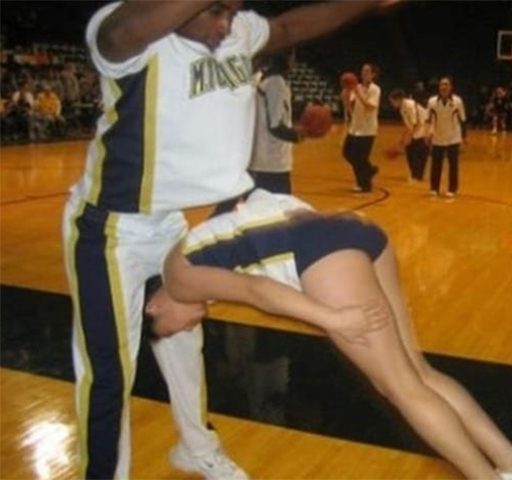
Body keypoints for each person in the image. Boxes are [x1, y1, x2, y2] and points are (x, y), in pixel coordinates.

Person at [62, 2, 396, 479]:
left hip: (170, 223)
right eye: (216, 11)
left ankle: (196, 447)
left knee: (184, 341)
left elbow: (288, 26)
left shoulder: (236, 31)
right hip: (110, 229)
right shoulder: (133, 37)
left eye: (233, 11)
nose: (226, 25)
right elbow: (119, 34)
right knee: (109, 369)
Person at [151, 188, 512, 480]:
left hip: (322, 252)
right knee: (419, 373)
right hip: (354, 229)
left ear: (153, 306)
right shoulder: (197, 245)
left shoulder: (178, 279)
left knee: (400, 387)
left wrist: (332, 319)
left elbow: (259, 291)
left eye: (171, 330)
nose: (187, 327)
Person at [249, 50, 300, 194]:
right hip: (272, 162)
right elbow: (275, 126)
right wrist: (299, 135)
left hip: (264, 160)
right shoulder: (275, 82)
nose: (294, 60)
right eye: (292, 56)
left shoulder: (266, 79)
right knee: (278, 205)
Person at [341, 63, 381, 192]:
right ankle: (369, 170)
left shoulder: (375, 89)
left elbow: (370, 107)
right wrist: (346, 94)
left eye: (367, 71)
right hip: (355, 127)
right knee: (347, 153)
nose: (364, 73)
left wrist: (358, 93)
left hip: (368, 129)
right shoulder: (357, 87)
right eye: (363, 71)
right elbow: (350, 107)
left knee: (360, 158)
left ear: (373, 75)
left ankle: (364, 185)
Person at [427, 77, 466, 198]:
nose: (444, 87)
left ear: (451, 87)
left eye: (446, 84)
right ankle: (434, 188)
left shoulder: (457, 101)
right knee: (435, 165)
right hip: (437, 137)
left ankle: (452, 189)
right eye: (441, 84)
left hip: (453, 137)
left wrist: (464, 137)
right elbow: (428, 120)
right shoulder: (432, 102)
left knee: (453, 165)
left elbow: (463, 119)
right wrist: (428, 134)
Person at [388, 88, 429, 182]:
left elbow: (415, 123)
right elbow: (408, 125)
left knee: (417, 152)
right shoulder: (402, 109)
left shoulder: (410, 105)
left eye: (392, 101)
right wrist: (403, 139)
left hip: (424, 127)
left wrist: (409, 137)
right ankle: (416, 174)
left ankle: (417, 176)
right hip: (417, 129)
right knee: (410, 150)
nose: (391, 104)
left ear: (398, 99)